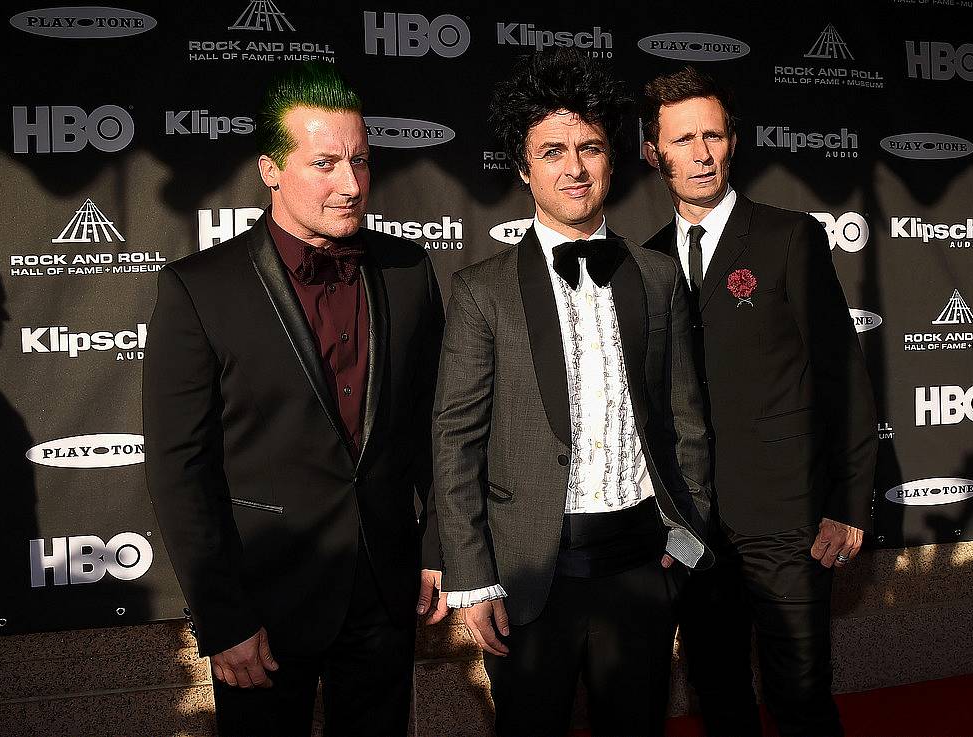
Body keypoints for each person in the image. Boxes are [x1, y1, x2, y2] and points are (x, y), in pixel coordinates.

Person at [143, 62, 446, 737]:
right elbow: (178, 470)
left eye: (361, 161)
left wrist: (435, 547)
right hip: (263, 602)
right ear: (270, 169)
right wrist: (223, 619)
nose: (351, 183)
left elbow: (435, 425)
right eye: (326, 162)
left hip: (382, 591)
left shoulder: (407, 272)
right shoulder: (200, 289)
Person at [433, 49, 713, 737]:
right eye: (552, 150)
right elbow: (455, 438)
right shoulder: (481, 291)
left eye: (589, 147)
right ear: (524, 166)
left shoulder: (657, 277)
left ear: (612, 158)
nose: (575, 167)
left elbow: (689, 422)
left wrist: (686, 544)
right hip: (530, 573)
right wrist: (474, 579)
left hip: (643, 564)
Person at [640, 65, 878, 737]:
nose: (701, 153)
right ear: (653, 151)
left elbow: (841, 375)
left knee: (799, 695)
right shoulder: (647, 260)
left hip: (787, 521)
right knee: (719, 694)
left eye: (713, 135)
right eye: (683, 139)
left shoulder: (787, 238)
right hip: (693, 528)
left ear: (734, 142)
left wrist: (846, 502)